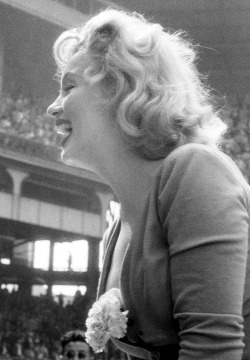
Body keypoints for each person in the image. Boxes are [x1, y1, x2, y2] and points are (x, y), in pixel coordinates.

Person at [47, 8, 250, 360]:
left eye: (69, 87)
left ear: (122, 90)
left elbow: (212, 351)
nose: (52, 107)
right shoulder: (118, 227)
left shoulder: (196, 171)